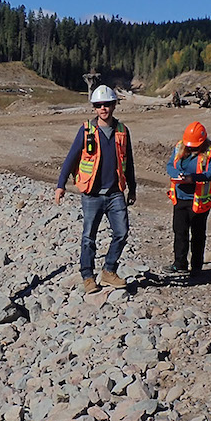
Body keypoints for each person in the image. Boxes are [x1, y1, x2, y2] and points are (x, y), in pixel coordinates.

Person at [55, 84, 137, 294]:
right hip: (91, 194)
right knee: (88, 237)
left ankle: (109, 271)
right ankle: (88, 277)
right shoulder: (86, 131)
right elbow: (71, 158)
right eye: (99, 105)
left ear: (113, 105)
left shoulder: (122, 131)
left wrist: (132, 188)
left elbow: (129, 162)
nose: (103, 109)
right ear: (94, 108)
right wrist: (60, 185)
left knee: (122, 232)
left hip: (115, 193)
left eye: (107, 104)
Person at [165, 121, 211, 275]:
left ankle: (196, 267)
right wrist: (177, 175)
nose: (191, 147)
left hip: (198, 200)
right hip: (180, 197)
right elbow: (170, 166)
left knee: (198, 234)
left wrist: (192, 178)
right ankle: (180, 263)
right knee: (180, 231)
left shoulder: (210, 151)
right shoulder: (179, 146)